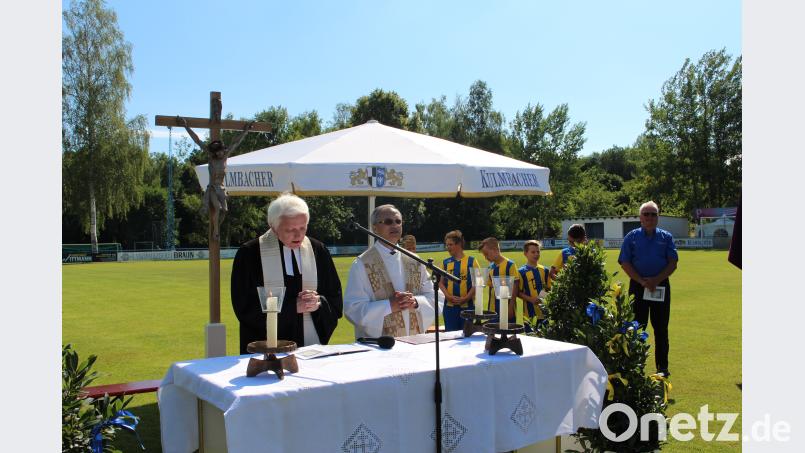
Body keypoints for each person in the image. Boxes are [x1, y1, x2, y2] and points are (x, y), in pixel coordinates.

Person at [230, 193, 343, 354]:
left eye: (303, 228)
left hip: (310, 349)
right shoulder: (249, 254)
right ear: (273, 227)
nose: (298, 235)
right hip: (267, 352)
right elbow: (243, 307)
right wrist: (292, 308)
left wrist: (318, 303)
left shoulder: (318, 250)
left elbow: (335, 300)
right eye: (290, 229)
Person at [344, 205, 437, 338]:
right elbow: (353, 309)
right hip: (379, 345)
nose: (394, 225)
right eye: (388, 222)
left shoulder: (415, 261)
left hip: (413, 341)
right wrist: (389, 305)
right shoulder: (361, 264)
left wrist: (415, 302)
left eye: (398, 221)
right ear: (375, 228)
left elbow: (435, 296)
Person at [618, 201, 678, 377]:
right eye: (647, 214)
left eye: (653, 214)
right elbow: (625, 262)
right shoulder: (632, 237)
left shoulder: (666, 237)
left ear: (658, 217)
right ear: (640, 217)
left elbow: (673, 262)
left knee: (661, 329)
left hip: (660, 286)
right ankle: (635, 366)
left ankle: (662, 368)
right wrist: (642, 282)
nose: (650, 217)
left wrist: (655, 280)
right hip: (638, 286)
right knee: (636, 327)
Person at [179, 115, 253, 238]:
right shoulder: (211, 158)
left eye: (220, 151)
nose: (219, 153)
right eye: (217, 151)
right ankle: (215, 232)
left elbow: (236, 142)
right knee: (217, 208)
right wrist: (186, 126)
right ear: (214, 152)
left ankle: (215, 226)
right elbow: (197, 140)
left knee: (225, 210)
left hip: (222, 189)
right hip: (212, 188)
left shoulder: (225, 157)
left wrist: (246, 131)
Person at [438, 230, 480, 331]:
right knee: (451, 336)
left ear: (459, 244)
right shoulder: (445, 263)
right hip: (449, 308)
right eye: (446, 245)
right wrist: (448, 296)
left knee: (467, 336)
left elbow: (478, 283)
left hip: (468, 307)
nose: (447, 247)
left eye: (450, 244)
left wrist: (466, 298)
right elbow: (440, 282)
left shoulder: (472, 261)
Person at [478, 237, 519, 325]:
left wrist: (511, 307)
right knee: (493, 333)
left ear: (495, 249)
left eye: (486, 254)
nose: (486, 258)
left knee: (507, 332)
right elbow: (490, 289)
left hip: (507, 308)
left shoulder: (510, 265)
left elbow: (515, 287)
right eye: (484, 255)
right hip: (493, 309)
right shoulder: (490, 267)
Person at [517, 240, 551, 329]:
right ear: (525, 253)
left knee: (545, 338)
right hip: (529, 313)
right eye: (533, 252)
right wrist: (531, 299)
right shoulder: (521, 272)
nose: (536, 254)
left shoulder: (545, 270)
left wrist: (542, 298)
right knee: (531, 337)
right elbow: (518, 292)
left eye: (538, 252)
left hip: (544, 312)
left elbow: (548, 288)